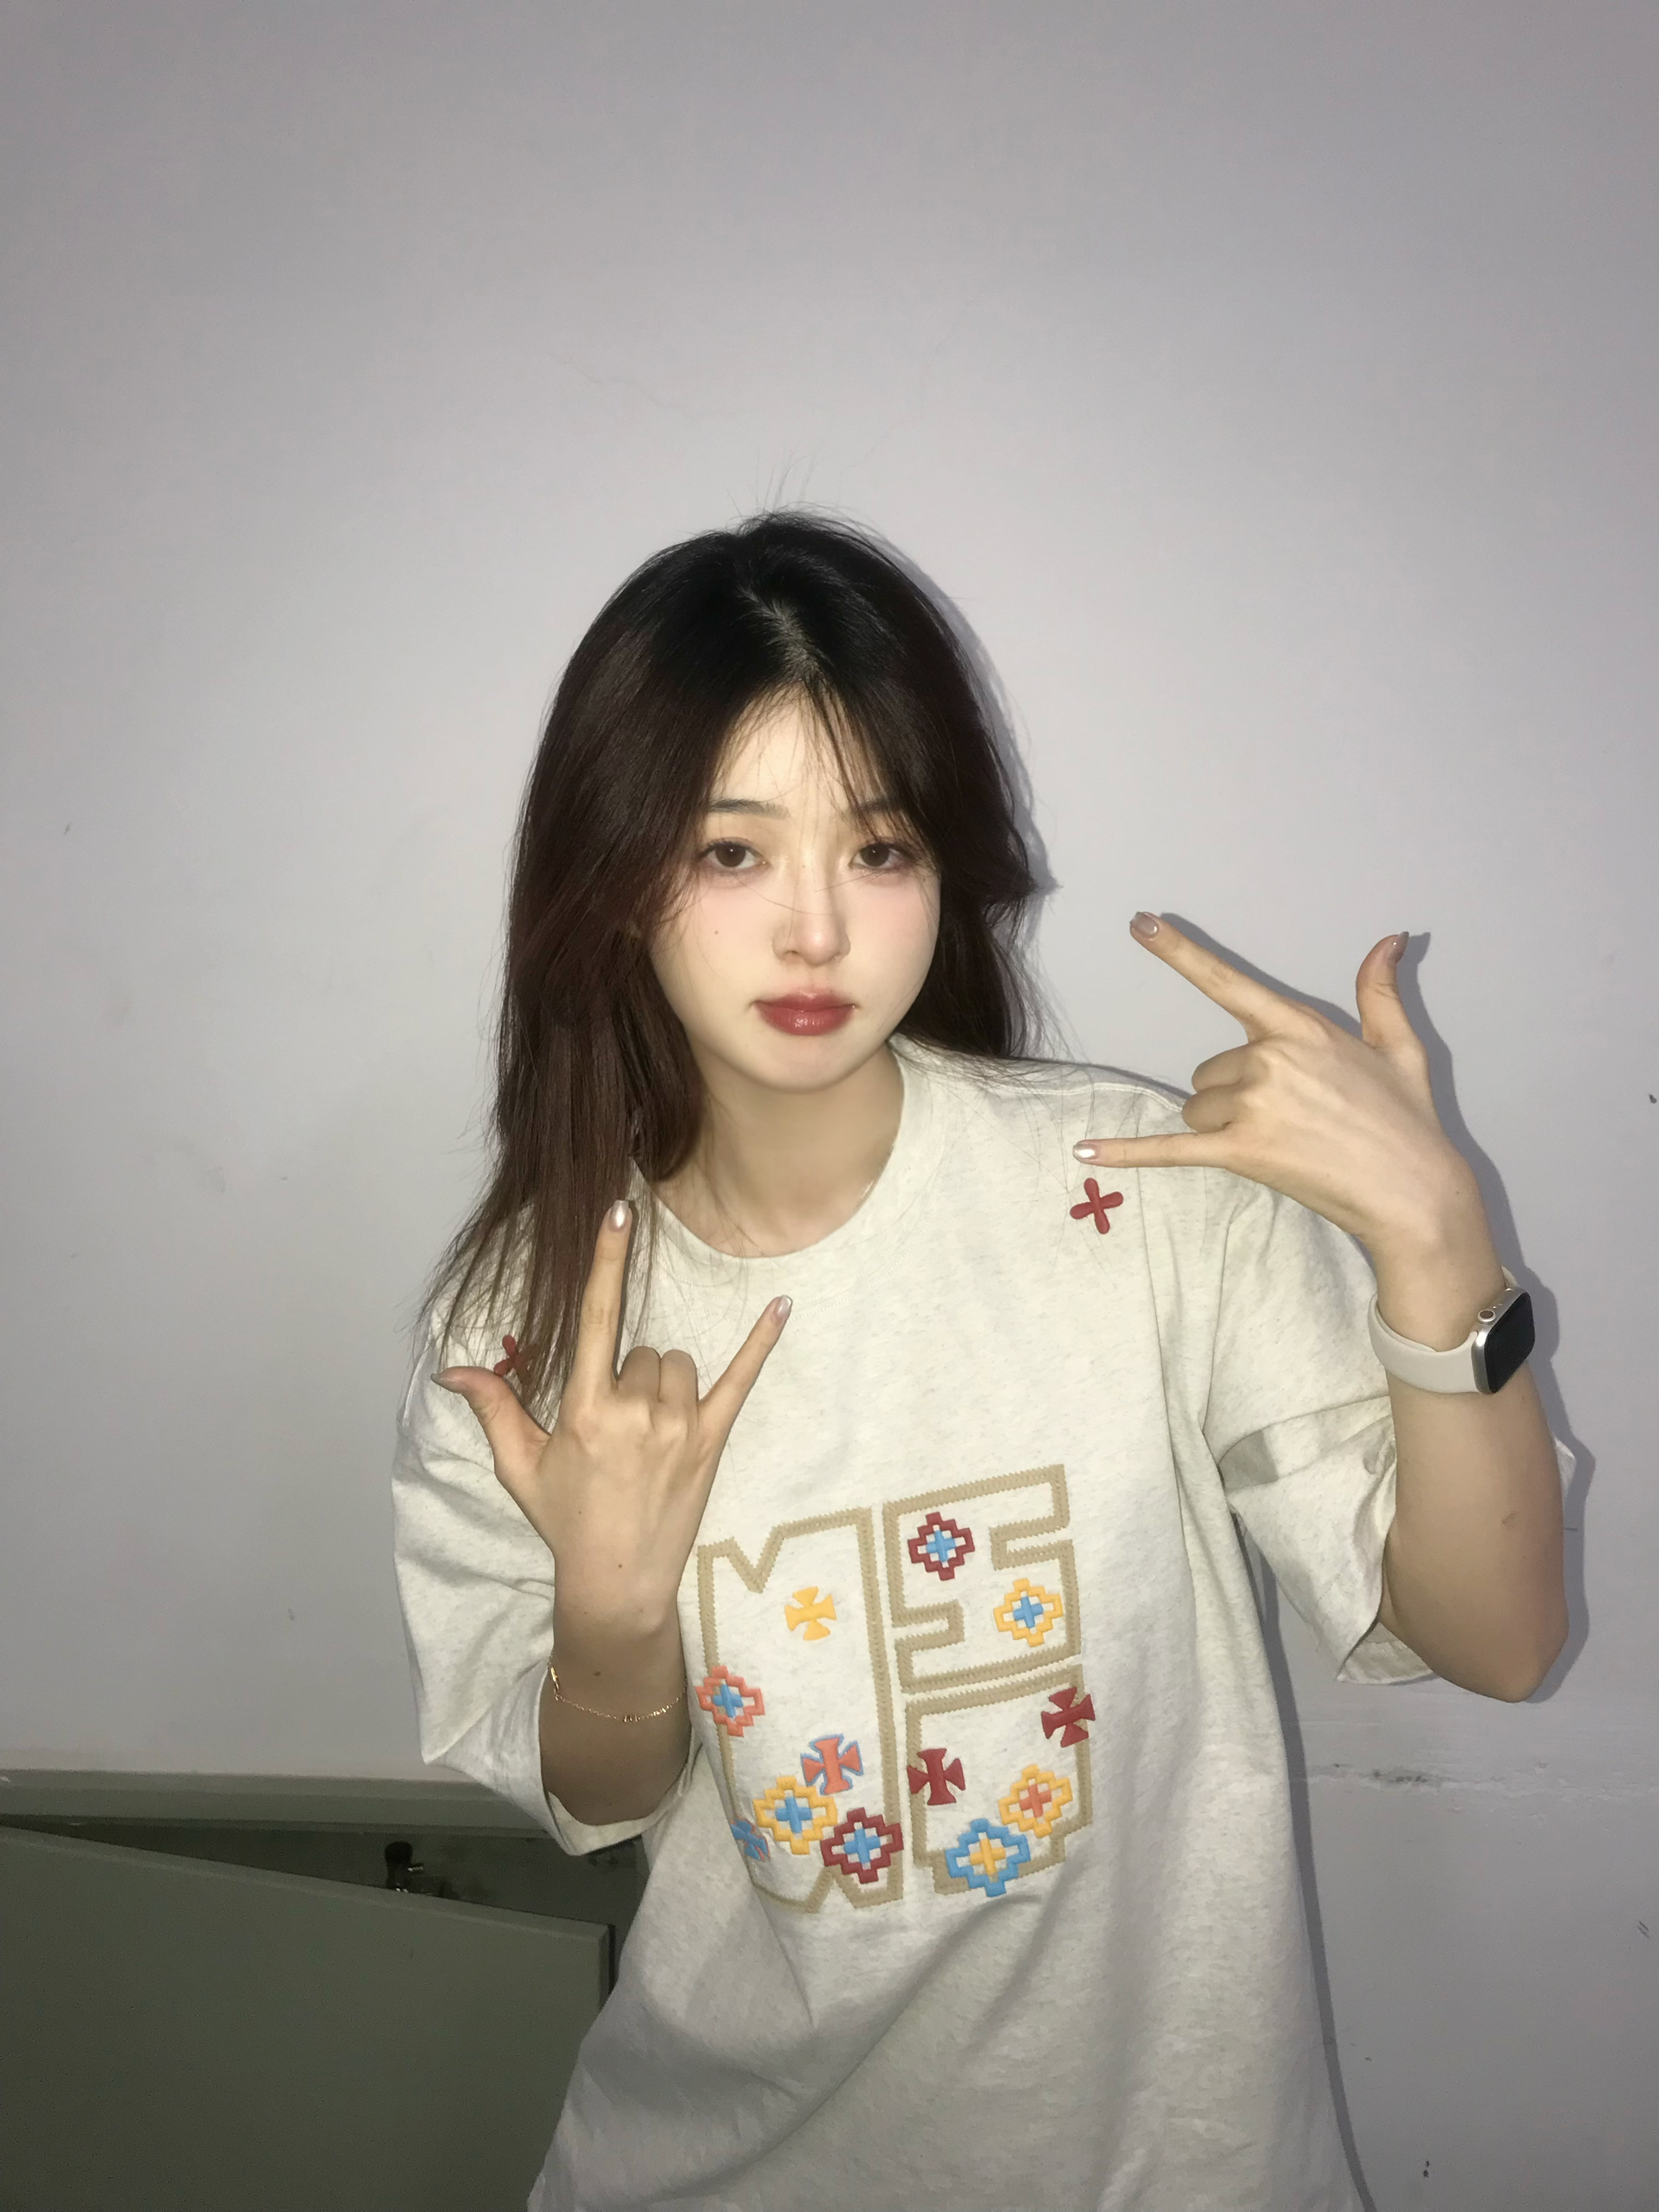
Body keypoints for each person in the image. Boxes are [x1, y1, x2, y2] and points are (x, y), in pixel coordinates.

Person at [390, 511, 1571, 2212]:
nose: (815, 930)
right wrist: (615, 1612)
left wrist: (1439, 1242)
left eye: (876, 847)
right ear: (614, 874)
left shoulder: (1136, 1191)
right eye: (730, 852)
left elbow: (1500, 1639)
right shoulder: (517, 1328)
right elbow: (600, 1800)